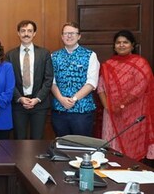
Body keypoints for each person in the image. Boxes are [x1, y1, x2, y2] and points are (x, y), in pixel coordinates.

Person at [97, 30, 154, 161]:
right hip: (111, 113)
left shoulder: (140, 63)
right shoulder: (108, 64)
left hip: (134, 112)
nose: (121, 45)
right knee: (112, 148)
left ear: (132, 45)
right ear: (114, 46)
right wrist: (108, 107)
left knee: (132, 146)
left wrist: (122, 105)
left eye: (125, 42)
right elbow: (100, 88)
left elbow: (140, 87)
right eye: (118, 42)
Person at [5, 20, 53, 139]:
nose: (26, 34)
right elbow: (8, 81)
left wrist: (37, 99)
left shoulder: (44, 53)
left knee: (37, 140)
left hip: (39, 104)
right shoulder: (10, 55)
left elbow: (48, 79)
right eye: (23, 31)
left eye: (29, 31)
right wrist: (20, 98)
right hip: (18, 105)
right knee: (19, 140)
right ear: (18, 33)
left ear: (34, 33)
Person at [51, 22, 100, 137]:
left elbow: (91, 82)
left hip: (82, 110)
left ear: (79, 36)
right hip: (59, 110)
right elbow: (51, 82)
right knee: (62, 144)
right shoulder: (54, 56)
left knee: (81, 145)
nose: (69, 36)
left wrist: (74, 99)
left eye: (72, 33)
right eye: (66, 33)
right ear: (62, 36)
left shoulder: (90, 55)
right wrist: (61, 99)